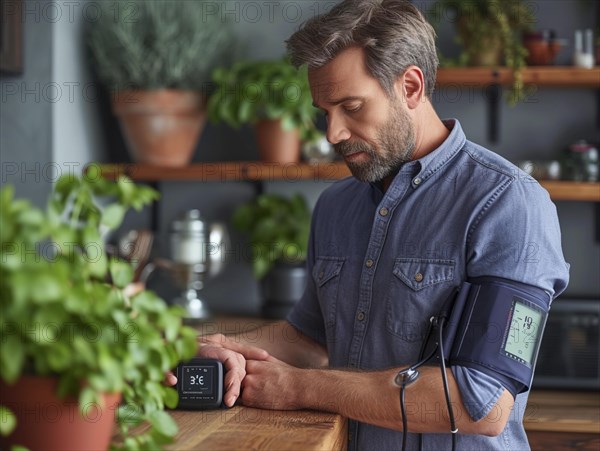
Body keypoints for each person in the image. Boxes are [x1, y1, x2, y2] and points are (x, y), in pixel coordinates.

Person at [167, 1, 570, 449]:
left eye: (351, 107)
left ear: (411, 87)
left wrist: (299, 387)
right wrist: (226, 347)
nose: (332, 133)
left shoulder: (508, 203)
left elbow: (483, 402)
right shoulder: (335, 206)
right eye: (325, 111)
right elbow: (311, 339)